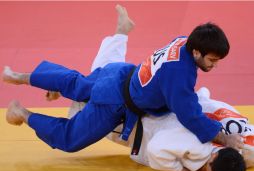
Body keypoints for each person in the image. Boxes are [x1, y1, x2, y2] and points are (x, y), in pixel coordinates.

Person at [2, 5, 242, 154]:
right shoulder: (180, 74)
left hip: (119, 73)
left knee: (77, 83)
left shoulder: (183, 41)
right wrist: (224, 137)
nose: (215, 66)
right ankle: (21, 113)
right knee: (70, 138)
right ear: (197, 52)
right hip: (114, 101)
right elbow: (190, 115)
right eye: (212, 60)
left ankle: (20, 76)